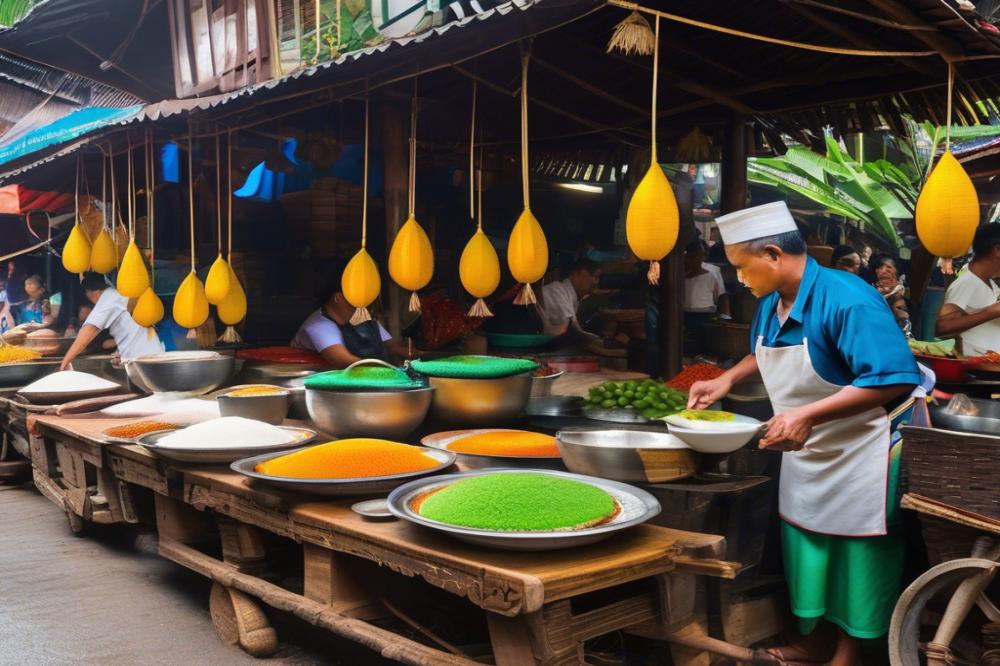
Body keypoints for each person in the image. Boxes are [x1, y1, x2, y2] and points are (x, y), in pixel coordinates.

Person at [687, 201, 920, 666]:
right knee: (807, 545)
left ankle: (849, 653)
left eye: (740, 266)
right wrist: (728, 377)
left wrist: (808, 414)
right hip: (807, 448)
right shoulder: (771, 300)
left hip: (863, 452)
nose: (738, 278)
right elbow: (765, 351)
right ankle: (813, 642)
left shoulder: (848, 298)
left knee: (857, 556)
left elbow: (895, 376)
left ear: (772, 253)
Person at [290, 266, 413, 368]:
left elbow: (392, 346)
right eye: (354, 297)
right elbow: (344, 360)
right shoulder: (318, 326)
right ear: (338, 298)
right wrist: (389, 371)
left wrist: (420, 355)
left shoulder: (363, 316)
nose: (360, 302)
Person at [60, 273, 164, 369]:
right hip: (148, 357)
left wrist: (65, 362)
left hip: (144, 361)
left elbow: (88, 332)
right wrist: (121, 353)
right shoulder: (119, 295)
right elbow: (132, 332)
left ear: (91, 293)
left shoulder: (109, 298)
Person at [936, 224, 1000, 355]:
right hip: (974, 369)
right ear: (998, 250)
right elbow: (942, 327)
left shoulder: (989, 284)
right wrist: (991, 312)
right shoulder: (967, 283)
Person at [537, 258, 602, 337]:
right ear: (580, 274)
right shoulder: (556, 290)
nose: (596, 282)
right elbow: (572, 330)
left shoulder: (573, 298)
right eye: (595, 276)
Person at [683, 240, 724, 355]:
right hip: (685, 315)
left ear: (703, 257)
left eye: (698, 256)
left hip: (704, 316)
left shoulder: (710, 276)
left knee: (703, 345)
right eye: (691, 256)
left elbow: (717, 296)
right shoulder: (682, 278)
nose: (694, 259)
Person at [870, 253, 911, 336]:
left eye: (889, 267)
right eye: (880, 267)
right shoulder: (870, 293)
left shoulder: (900, 297)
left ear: (896, 272)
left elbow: (904, 324)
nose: (884, 271)